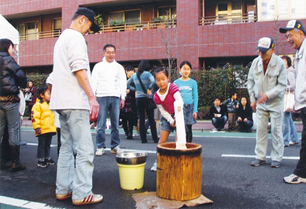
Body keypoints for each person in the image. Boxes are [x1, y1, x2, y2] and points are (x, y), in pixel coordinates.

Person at [49, 7, 103, 205]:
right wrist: (91, 97)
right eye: (89, 25)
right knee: (85, 149)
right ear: (82, 20)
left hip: (60, 101)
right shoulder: (76, 38)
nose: (88, 30)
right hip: (75, 101)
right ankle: (82, 193)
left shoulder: (61, 38)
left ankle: (63, 189)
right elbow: (79, 68)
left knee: (66, 147)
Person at [247, 37, 287, 168]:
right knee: (260, 129)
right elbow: (250, 81)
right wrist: (253, 99)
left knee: (276, 129)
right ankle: (260, 156)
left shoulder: (280, 63)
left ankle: (276, 158)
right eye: (259, 51)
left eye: (264, 51)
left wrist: (267, 95)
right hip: (260, 102)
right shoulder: (255, 62)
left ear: (273, 50)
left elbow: (282, 86)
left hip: (275, 101)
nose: (261, 54)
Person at [280, 20, 306, 184]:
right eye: (286, 36)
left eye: (290, 35)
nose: (288, 39)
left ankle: (301, 173)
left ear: (301, 34)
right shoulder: (300, 53)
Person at [92, 44, 126, 155]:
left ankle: (115, 146)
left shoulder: (119, 67)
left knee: (115, 124)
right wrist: (93, 97)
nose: (111, 55)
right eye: (108, 52)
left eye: (113, 52)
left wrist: (123, 97)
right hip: (101, 96)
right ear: (104, 53)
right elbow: (94, 82)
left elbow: (123, 83)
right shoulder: (98, 66)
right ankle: (100, 146)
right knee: (101, 124)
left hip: (116, 97)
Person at [0, 38, 27, 172]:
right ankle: (15, 162)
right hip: (10, 100)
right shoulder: (8, 59)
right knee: (13, 130)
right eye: (12, 47)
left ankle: (1, 160)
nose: (13, 49)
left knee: (0, 130)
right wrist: (22, 85)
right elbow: (20, 75)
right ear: (7, 47)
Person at [150, 67, 183, 171]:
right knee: (162, 142)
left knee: (179, 141)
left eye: (163, 79)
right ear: (155, 81)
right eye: (158, 80)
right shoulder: (156, 96)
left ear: (168, 78)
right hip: (166, 117)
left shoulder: (173, 87)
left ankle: (178, 163)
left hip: (178, 114)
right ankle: (158, 161)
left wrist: (176, 117)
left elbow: (179, 102)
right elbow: (162, 111)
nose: (161, 82)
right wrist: (171, 120)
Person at [127, 60, 158, 143]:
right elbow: (154, 82)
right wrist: (149, 88)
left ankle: (143, 139)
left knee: (141, 119)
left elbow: (127, 84)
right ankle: (155, 138)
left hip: (139, 99)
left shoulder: (134, 75)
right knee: (151, 119)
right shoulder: (147, 74)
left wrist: (135, 89)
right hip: (148, 98)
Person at [31, 86, 56, 168]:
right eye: (48, 93)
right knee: (42, 145)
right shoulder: (38, 105)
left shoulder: (50, 104)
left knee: (48, 144)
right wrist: (37, 127)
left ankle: (47, 157)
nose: (50, 95)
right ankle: (41, 159)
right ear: (42, 95)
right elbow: (35, 117)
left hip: (49, 128)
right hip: (42, 129)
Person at [174, 61, 198, 142]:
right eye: (184, 69)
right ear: (180, 69)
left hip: (190, 107)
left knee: (189, 128)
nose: (186, 71)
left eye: (188, 69)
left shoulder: (193, 82)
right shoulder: (176, 82)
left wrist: (195, 110)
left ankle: (189, 145)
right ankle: (181, 144)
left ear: (190, 70)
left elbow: (195, 97)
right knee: (181, 127)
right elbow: (173, 97)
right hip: (180, 108)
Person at [281, 55, 299, 147]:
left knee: (285, 120)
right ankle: (295, 138)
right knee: (289, 119)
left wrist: (282, 87)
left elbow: (293, 85)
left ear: (288, 62)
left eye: (284, 61)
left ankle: (285, 141)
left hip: (288, 97)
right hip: (287, 97)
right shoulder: (286, 72)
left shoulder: (289, 72)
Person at [120, 66, 136, 139]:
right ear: (126, 72)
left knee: (131, 118)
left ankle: (130, 132)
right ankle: (126, 132)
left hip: (131, 101)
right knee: (123, 118)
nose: (131, 72)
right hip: (123, 100)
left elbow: (137, 89)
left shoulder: (135, 80)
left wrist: (131, 91)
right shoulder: (122, 80)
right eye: (130, 71)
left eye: (132, 71)